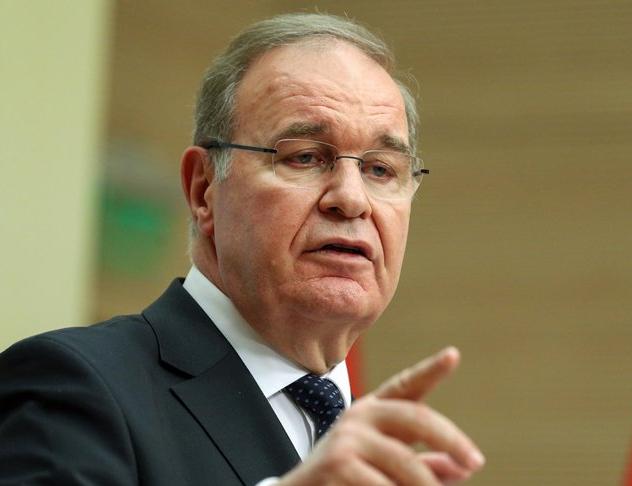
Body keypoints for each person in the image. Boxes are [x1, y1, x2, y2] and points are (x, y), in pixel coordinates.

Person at [0, 12, 485, 485]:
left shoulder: (371, 453)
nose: (352, 199)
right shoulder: (71, 386)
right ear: (203, 190)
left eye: (380, 169)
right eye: (305, 157)